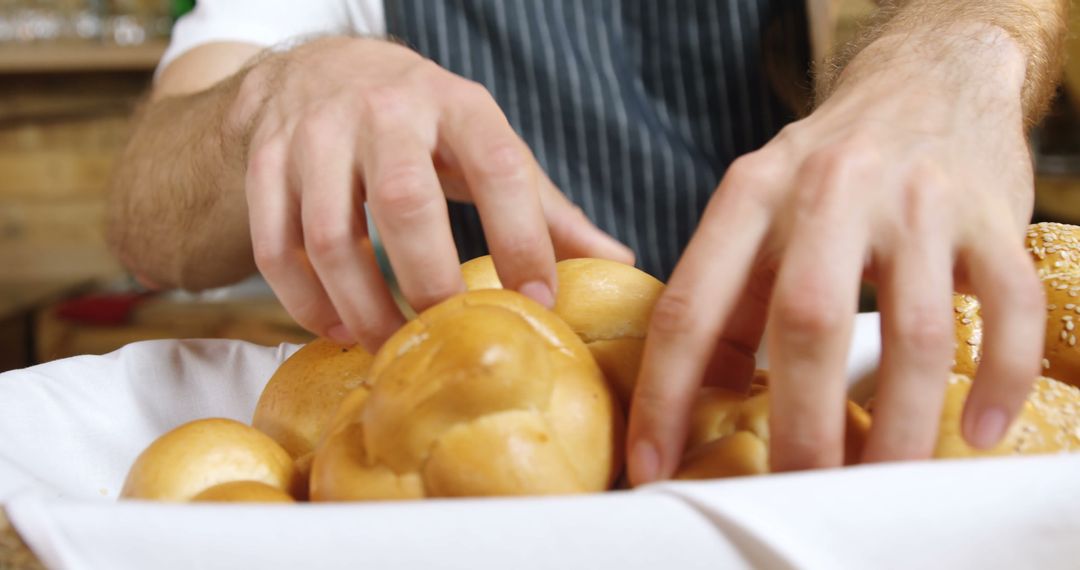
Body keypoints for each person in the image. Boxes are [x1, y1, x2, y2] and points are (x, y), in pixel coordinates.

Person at [107, 0, 1068, 486]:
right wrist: (272, 93)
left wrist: (959, 53)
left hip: (846, 460)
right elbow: (147, 220)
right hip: (493, 491)